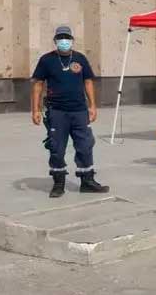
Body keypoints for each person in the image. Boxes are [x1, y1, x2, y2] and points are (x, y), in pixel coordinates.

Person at [31, 25, 109, 198]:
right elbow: (38, 84)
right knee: (56, 148)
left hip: (79, 111)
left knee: (85, 145)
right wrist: (35, 110)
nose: (64, 41)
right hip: (57, 112)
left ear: (72, 40)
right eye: (60, 38)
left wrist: (93, 105)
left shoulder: (80, 59)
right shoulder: (47, 60)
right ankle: (58, 183)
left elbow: (88, 82)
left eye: (67, 37)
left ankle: (87, 181)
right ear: (55, 41)